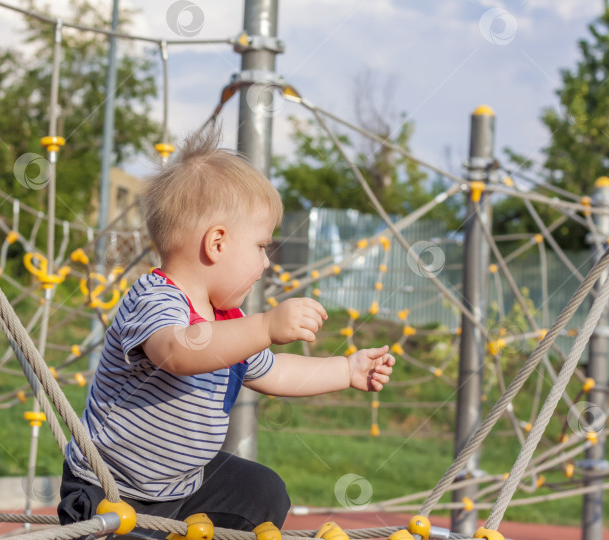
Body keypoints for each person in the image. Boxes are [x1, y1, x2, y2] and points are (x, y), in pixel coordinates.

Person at [57, 128, 396, 535]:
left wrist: (346, 370)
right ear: (217, 243)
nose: (266, 262)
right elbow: (178, 352)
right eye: (260, 246)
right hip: (109, 489)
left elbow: (275, 372)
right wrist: (267, 325)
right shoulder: (155, 299)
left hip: (184, 485)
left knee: (261, 490)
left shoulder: (229, 321)